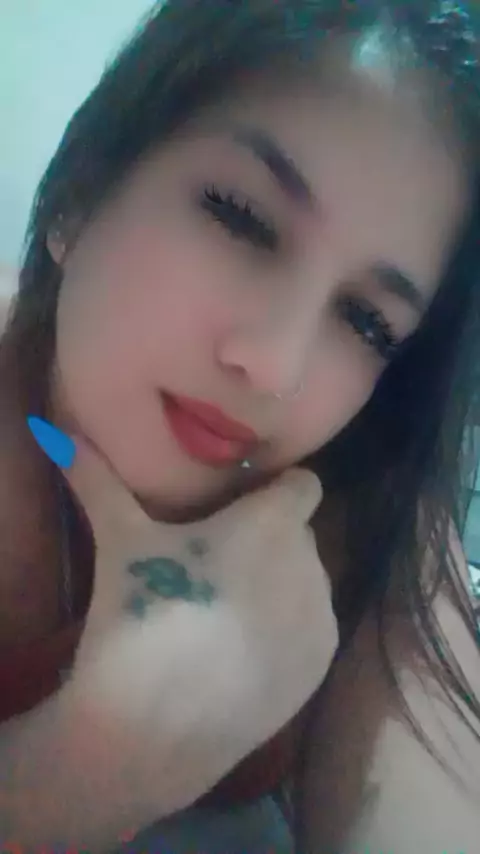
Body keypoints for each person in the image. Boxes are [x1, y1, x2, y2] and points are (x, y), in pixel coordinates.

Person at [1, 0, 480, 851]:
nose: (277, 368)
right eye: (240, 216)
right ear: (81, 192)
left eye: (368, 322)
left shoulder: (367, 512)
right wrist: (76, 772)